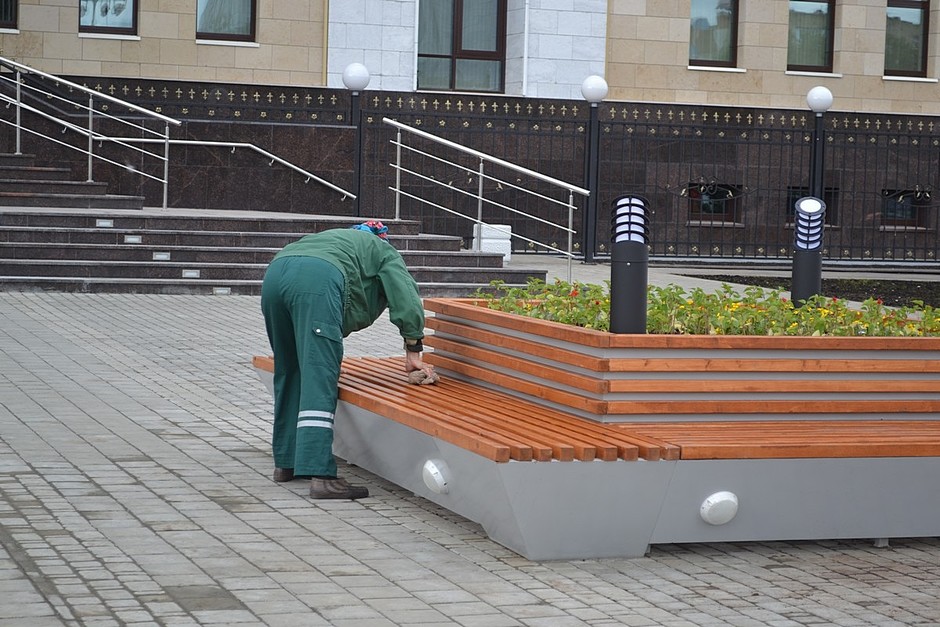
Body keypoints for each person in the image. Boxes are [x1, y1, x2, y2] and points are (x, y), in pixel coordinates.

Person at [260, 221, 435, 500]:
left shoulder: (336, 240)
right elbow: (406, 296)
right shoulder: (383, 251)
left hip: (275, 274)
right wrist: (413, 348)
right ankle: (320, 475)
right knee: (320, 377)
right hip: (317, 280)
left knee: (290, 370)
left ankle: (287, 461)